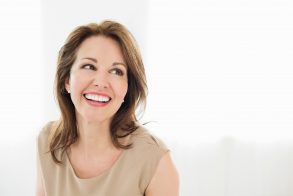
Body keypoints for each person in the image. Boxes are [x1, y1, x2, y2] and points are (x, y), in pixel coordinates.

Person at [36, 20, 179, 196]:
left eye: (116, 71)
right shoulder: (48, 141)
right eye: (89, 66)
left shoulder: (155, 160)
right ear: (67, 81)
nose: (101, 83)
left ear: (127, 87)